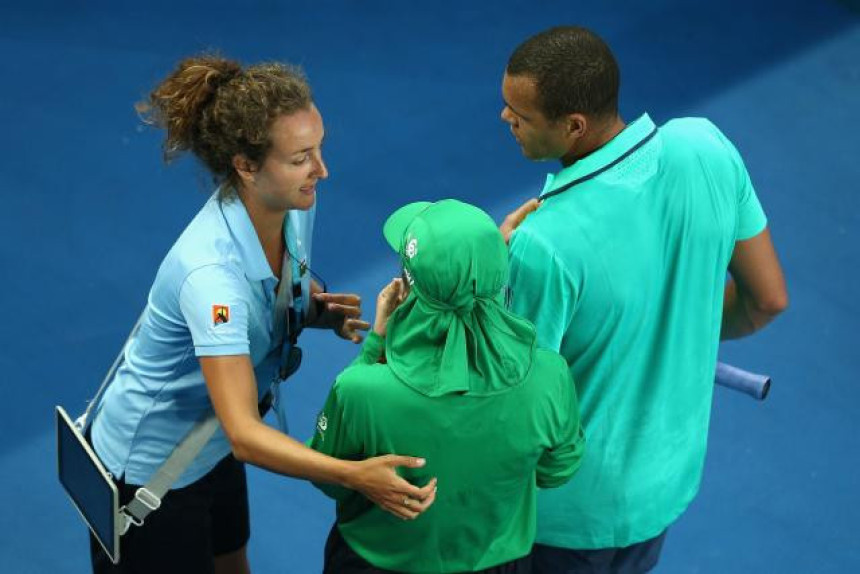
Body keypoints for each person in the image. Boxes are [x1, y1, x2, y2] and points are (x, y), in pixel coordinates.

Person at [87, 55, 436, 574]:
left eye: (320, 147)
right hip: (152, 474)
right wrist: (355, 474)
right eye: (301, 158)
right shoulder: (211, 278)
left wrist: (311, 309)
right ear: (245, 166)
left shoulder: (294, 203)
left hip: (209, 438)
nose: (322, 170)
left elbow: (279, 283)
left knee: (233, 562)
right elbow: (248, 437)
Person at [499, 26, 788, 573]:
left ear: (573, 127)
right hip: (663, 489)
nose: (505, 120)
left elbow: (512, 404)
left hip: (560, 520)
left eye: (520, 114)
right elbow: (767, 300)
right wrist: (676, 322)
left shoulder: (541, 242)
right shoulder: (708, 147)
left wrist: (486, 274)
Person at [309, 199, 586, 573]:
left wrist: (374, 345)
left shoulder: (360, 389)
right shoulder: (549, 374)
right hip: (498, 562)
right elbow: (557, 470)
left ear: (406, 288)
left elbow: (331, 479)